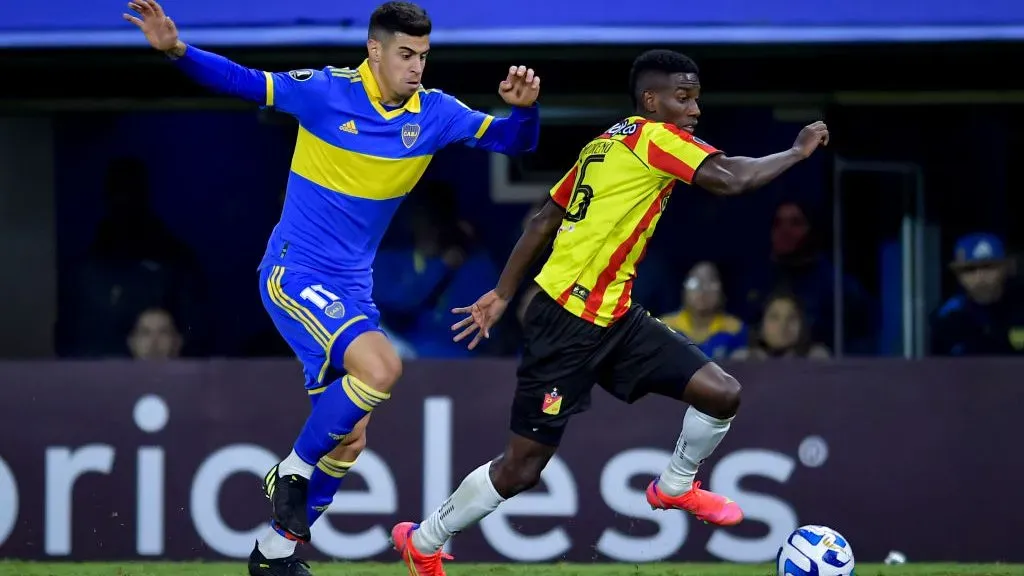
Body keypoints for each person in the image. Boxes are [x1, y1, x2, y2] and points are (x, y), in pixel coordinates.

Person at [124, 2, 541, 575]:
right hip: (295, 272)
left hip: (351, 287)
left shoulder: (436, 113)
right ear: (374, 50)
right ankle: (291, 470)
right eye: (405, 54)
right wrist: (176, 50)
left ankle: (274, 554)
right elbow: (245, 82)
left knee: (350, 441)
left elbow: (515, 144)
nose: (416, 66)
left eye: (423, 55)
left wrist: (526, 111)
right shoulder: (325, 92)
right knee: (383, 368)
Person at [390, 49, 829, 575]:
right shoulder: (656, 138)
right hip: (563, 324)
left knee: (721, 393)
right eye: (682, 98)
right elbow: (731, 178)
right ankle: (425, 539)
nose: (693, 109)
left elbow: (543, 218)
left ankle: (675, 486)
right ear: (652, 100)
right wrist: (798, 153)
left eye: (697, 98)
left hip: (615, 318)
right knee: (522, 469)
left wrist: (504, 292)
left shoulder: (606, 142)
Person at [660, 261, 747, 360]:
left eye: (711, 282)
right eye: (695, 282)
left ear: (722, 291)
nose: (703, 289)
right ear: (683, 290)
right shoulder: (664, 327)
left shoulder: (735, 329)